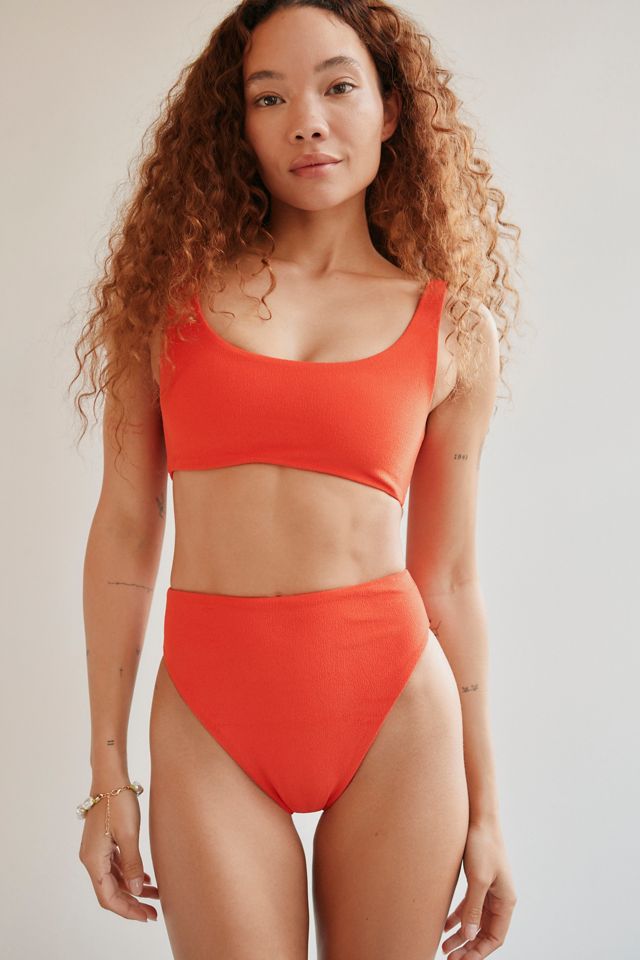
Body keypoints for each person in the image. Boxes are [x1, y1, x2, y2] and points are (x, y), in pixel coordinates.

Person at [69, 1, 522, 957]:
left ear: (390, 110)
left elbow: (450, 578)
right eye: (268, 97)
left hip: (395, 709)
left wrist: (488, 810)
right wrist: (108, 777)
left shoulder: (453, 329)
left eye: (338, 87)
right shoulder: (165, 305)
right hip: (209, 713)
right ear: (236, 124)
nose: (307, 121)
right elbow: (125, 530)